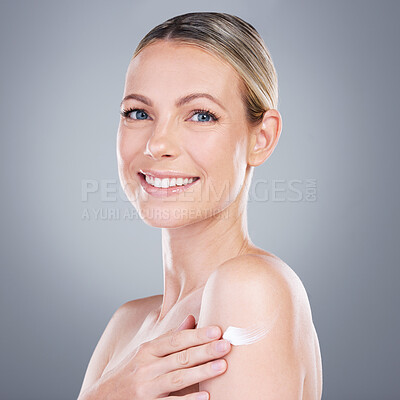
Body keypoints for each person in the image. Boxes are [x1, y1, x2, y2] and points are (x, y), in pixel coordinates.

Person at [77, 11, 323, 400]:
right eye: (138, 113)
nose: (157, 144)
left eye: (201, 115)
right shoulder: (126, 326)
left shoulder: (250, 288)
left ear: (262, 138)